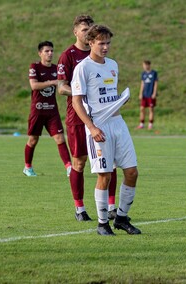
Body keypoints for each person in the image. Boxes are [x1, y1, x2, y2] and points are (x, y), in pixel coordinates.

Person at [71, 24, 141, 236]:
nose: (105, 47)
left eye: (108, 43)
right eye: (101, 43)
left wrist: (119, 102)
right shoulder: (83, 68)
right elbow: (77, 102)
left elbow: (108, 95)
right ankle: (102, 224)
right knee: (105, 176)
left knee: (132, 172)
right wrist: (91, 128)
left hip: (118, 123)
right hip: (98, 126)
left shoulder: (113, 65)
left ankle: (120, 218)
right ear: (90, 42)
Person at [57, 15, 119, 222]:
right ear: (76, 32)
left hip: (102, 116)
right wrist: (80, 92)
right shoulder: (68, 55)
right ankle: (80, 208)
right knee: (79, 162)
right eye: (83, 30)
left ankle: (112, 206)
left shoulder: (103, 60)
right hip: (77, 116)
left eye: (89, 29)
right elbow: (61, 86)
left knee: (110, 162)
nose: (86, 33)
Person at [23, 41, 72, 177]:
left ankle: (69, 167)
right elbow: (34, 85)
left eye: (51, 51)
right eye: (46, 51)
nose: (50, 53)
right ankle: (28, 167)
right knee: (33, 140)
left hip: (52, 111)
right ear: (40, 53)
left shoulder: (57, 69)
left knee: (60, 138)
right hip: (38, 110)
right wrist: (52, 82)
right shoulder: (35, 67)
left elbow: (64, 83)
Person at [136, 60, 158, 130]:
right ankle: (141, 124)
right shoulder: (143, 74)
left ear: (148, 65)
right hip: (144, 95)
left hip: (150, 95)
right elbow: (142, 84)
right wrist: (140, 93)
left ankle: (150, 124)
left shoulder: (154, 73)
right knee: (142, 109)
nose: (144, 67)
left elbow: (155, 84)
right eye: (143, 65)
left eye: (145, 65)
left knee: (151, 109)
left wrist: (154, 93)